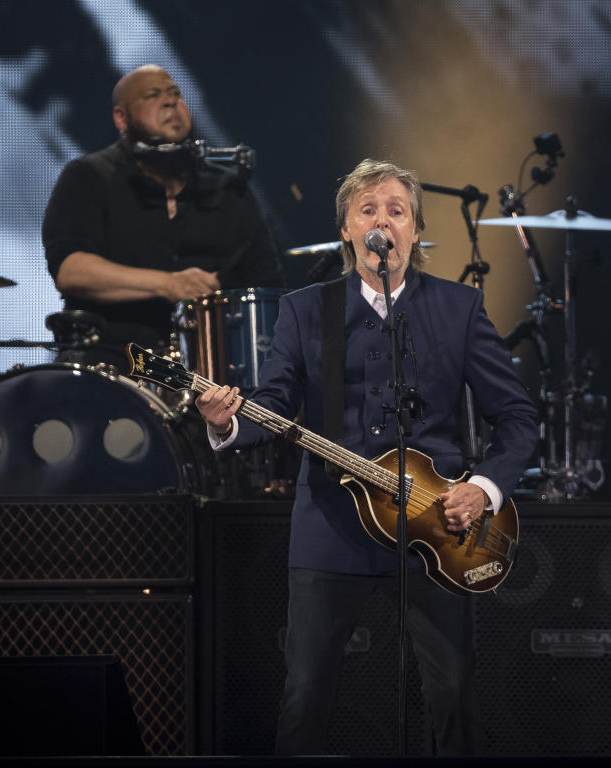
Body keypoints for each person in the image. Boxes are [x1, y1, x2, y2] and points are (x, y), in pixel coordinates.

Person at [196, 158, 539, 756]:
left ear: (415, 230)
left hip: (440, 527)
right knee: (305, 696)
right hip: (332, 526)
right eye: (368, 210)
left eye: (397, 210)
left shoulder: (458, 308)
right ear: (348, 230)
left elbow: (516, 417)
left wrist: (483, 489)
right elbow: (274, 402)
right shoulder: (307, 310)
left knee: (455, 695)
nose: (383, 220)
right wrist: (227, 422)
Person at [41, 64, 282, 369]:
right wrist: (168, 284)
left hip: (213, 373)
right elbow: (70, 270)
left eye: (175, 94)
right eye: (152, 96)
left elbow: (269, 288)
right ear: (121, 118)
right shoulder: (88, 177)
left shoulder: (230, 190)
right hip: (112, 364)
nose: (170, 102)